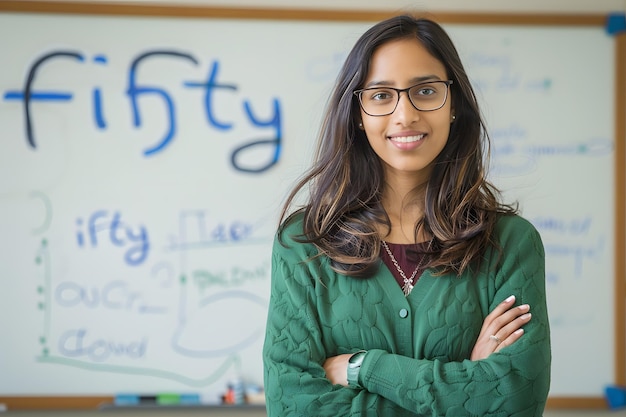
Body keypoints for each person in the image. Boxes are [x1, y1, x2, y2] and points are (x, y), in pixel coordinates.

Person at [263, 14, 551, 417]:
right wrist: (466, 380)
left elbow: (515, 401)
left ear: (454, 105)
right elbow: (293, 406)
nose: (405, 115)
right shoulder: (303, 244)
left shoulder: (511, 244)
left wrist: (363, 368)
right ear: (358, 113)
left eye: (426, 91)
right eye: (382, 95)